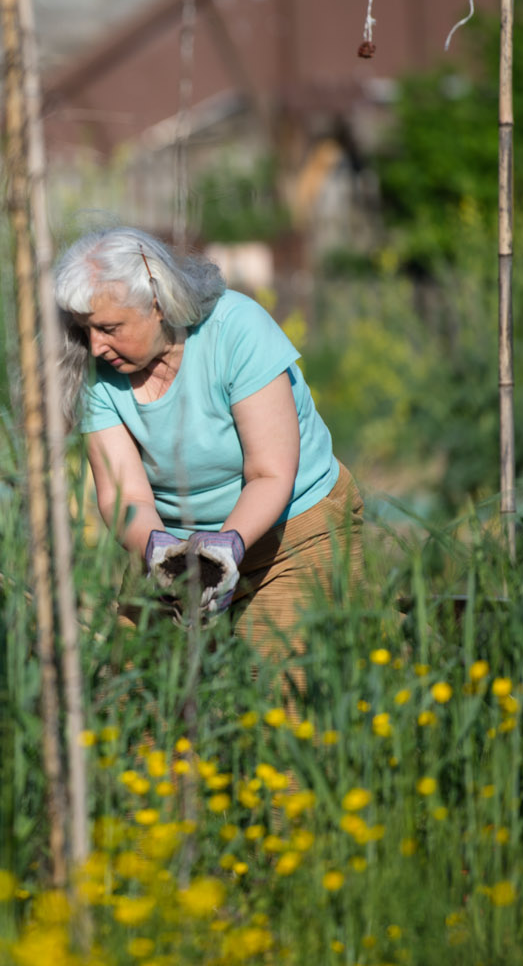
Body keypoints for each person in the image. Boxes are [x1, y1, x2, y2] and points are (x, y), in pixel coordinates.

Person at [54, 226, 363, 670]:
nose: (96, 346)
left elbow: (270, 473)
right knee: (138, 697)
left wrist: (225, 549)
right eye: (86, 330)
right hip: (178, 552)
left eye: (109, 328)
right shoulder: (100, 370)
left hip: (292, 528)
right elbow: (124, 495)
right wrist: (159, 550)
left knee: (281, 690)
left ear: (156, 305)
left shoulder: (236, 329)